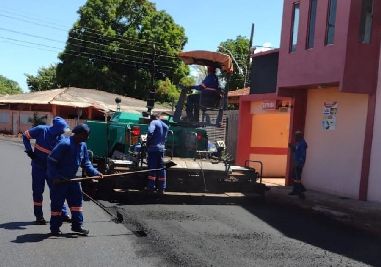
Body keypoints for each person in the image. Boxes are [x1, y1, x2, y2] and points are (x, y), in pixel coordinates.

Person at [47, 124, 103, 236]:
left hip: (73, 180)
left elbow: (86, 163)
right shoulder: (64, 144)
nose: (87, 138)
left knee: (77, 203)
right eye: (85, 135)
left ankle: (77, 226)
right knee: (57, 205)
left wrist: (96, 173)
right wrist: (55, 177)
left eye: (88, 136)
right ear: (78, 134)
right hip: (61, 180)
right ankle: (54, 228)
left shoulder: (83, 146)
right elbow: (51, 161)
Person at [22, 116, 71, 225]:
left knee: (56, 191)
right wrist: (29, 151)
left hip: (52, 170)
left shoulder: (62, 137)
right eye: (61, 131)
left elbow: (70, 143)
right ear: (56, 129)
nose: (62, 133)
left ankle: (63, 214)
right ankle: (39, 216)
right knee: (38, 192)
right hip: (38, 167)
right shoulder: (41, 130)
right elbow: (25, 135)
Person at [146, 112, 169, 194]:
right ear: (158, 117)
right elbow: (166, 136)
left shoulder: (153, 122)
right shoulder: (164, 125)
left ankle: (151, 187)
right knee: (161, 168)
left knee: (153, 168)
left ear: (152, 118)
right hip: (161, 149)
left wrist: (148, 143)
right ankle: (162, 188)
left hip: (153, 149)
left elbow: (150, 132)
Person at [288, 130, 308, 199]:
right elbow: (295, 150)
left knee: (297, 177)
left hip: (299, 163)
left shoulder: (302, 143)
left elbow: (303, 154)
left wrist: (299, 162)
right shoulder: (297, 143)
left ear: (300, 136)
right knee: (295, 176)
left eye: (296, 136)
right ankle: (296, 190)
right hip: (296, 162)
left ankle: (300, 190)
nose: (295, 137)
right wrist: (291, 147)